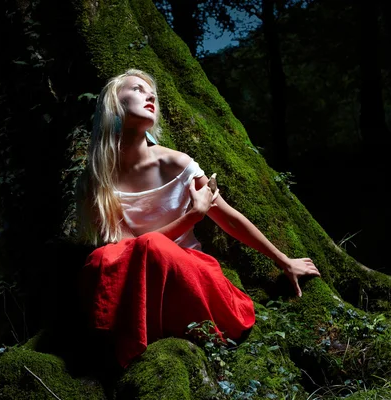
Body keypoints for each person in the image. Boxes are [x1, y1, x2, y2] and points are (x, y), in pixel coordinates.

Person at [76, 69, 320, 368]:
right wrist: (193, 215)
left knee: (151, 245)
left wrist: (284, 261)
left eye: (152, 92)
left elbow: (229, 218)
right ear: (114, 103)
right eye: (138, 89)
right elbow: (127, 252)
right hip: (141, 286)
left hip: (192, 279)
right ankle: (127, 348)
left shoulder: (177, 163)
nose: (150, 95)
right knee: (103, 257)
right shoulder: (97, 179)